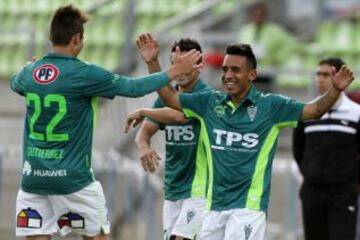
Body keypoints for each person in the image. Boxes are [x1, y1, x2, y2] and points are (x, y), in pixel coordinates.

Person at [125, 37, 354, 239]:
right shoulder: (209, 103)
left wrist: (334, 91)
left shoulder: (272, 106)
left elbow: (314, 111)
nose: (228, 76)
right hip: (212, 207)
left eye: (235, 70)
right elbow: (170, 98)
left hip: (248, 209)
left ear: (252, 74)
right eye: (225, 70)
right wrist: (152, 63)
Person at [10, 5, 202, 240]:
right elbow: (133, 87)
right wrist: (175, 70)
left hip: (33, 180)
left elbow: (14, 82)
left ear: (51, 37)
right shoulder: (84, 73)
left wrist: (28, 66)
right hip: (74, 181)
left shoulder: (30, 72)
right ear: (78, 38)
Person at [125, 35, 212, 240]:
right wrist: (144, 147)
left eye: (183, 65)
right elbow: (143, 133)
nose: (178, 71)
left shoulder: (206, 96)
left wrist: (145, 111)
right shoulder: (164, 99)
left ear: (199, 66)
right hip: (173, 189)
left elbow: (179, 117)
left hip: (198, 190)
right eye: (174, 65)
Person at [292, 57, 360, 240]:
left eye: (326, 74)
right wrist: (310, 175)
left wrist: (352, 182)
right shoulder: (306, 112)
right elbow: (298, 151)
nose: (320, 79)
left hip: (343, 193)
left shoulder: (356, 113)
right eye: (317, 74)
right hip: (312, 192)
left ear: (340, 77)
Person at [238, 1, 299, 91]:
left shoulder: (275, 30)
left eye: (261, 14)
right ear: (251, 15)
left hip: (267, 72)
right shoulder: (245, 30)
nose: (258, 16)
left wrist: (277, 59)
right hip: (248, 72)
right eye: (255, 14)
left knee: (265, 97)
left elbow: (290, 46)